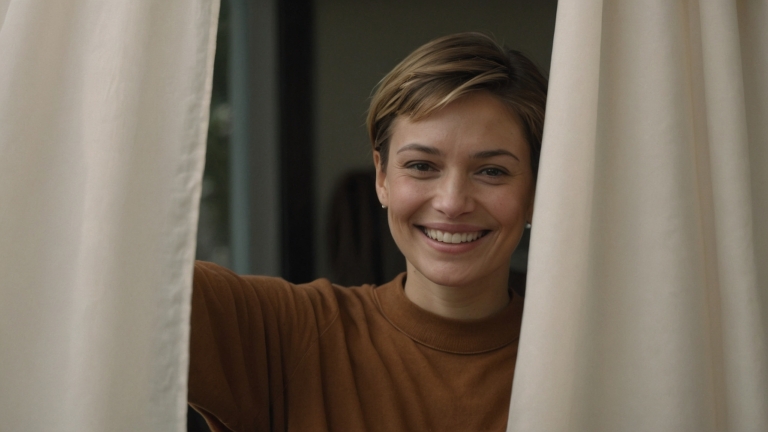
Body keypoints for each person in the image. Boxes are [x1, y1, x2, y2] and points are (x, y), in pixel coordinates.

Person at [188, 32, 547, 431]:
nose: (452, 202)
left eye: (491, 171)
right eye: (422, 166)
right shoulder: (285, 334)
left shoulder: (584, 360)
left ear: (536, 190)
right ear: (382, 177)